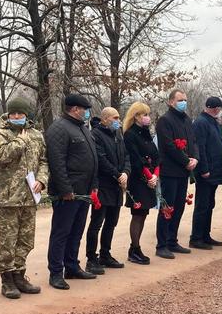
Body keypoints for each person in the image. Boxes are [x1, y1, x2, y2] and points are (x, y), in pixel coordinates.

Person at [0, 97, 46, 299]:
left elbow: (44, 160)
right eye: (13, 113)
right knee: (8, 242)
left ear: (26, 114)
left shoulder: (36, 135)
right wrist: (20, 142)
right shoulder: (0, 134)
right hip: (8, 199)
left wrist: (42, 180)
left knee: (26, 240)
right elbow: (0, 156)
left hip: (30, 197)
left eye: (20, 113)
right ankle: (7, 280)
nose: (16, 116)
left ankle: (19, 275)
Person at [46, 94, 99, 289]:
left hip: (84, 190)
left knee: (77, 230)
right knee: (61, 232)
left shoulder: (82, 128)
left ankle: (72, 266)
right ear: (75, 109)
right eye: (85, 109)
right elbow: (57, 162)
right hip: (68, 192)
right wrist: (65, 189)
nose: (87, 113)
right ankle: (55, 272)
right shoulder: (59, 128)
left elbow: (92, 158)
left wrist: (94, 184)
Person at [85, 107, 131, 274]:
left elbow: (126, 156)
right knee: (97, 223)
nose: (118, 120)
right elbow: (101, 159)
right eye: (115, 118)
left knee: (112, 222)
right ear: (105, 119)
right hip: (103, 185)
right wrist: (117, 174)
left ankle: (105, 254)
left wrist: (125, 173)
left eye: (119, 117)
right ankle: (91, 258)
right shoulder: (96, 135)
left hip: (117, 186)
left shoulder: (118, 134)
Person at [155, 89, 199, 259]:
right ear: (171, 101)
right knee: (168, 207)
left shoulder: (187, 120)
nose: (184, 103)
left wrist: (194, 158)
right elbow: (168, 146)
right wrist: (185, 160)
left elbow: (193, 142)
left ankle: (172, 240)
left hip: (183, 172)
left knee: (179, 207)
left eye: (185, 100)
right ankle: (162, 245)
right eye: (180, 100)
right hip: (170, 171)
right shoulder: (165, 121)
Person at [123, 102, 159, 265]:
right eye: (145, 114)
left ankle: (135, 248)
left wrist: (155, 175)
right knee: (137, 214)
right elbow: (136, 159)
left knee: (143, 213)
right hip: (138, 180)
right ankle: (135, 249)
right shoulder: (130, 135)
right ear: (136, 116)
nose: (147, 117)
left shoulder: (146, 133)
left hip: (150, 178)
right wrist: (149, 176)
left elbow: (156, 156)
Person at [189, 96, 222, 250]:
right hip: (206, 172)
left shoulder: (212, 122)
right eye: (219, 108)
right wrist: (204, 169)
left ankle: (205, 235)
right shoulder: (201, 123)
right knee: (202, 205)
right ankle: (196, 237)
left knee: (209, 204)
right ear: (215, 108)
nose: (220, 110)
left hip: (214, 171)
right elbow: (200, 147)